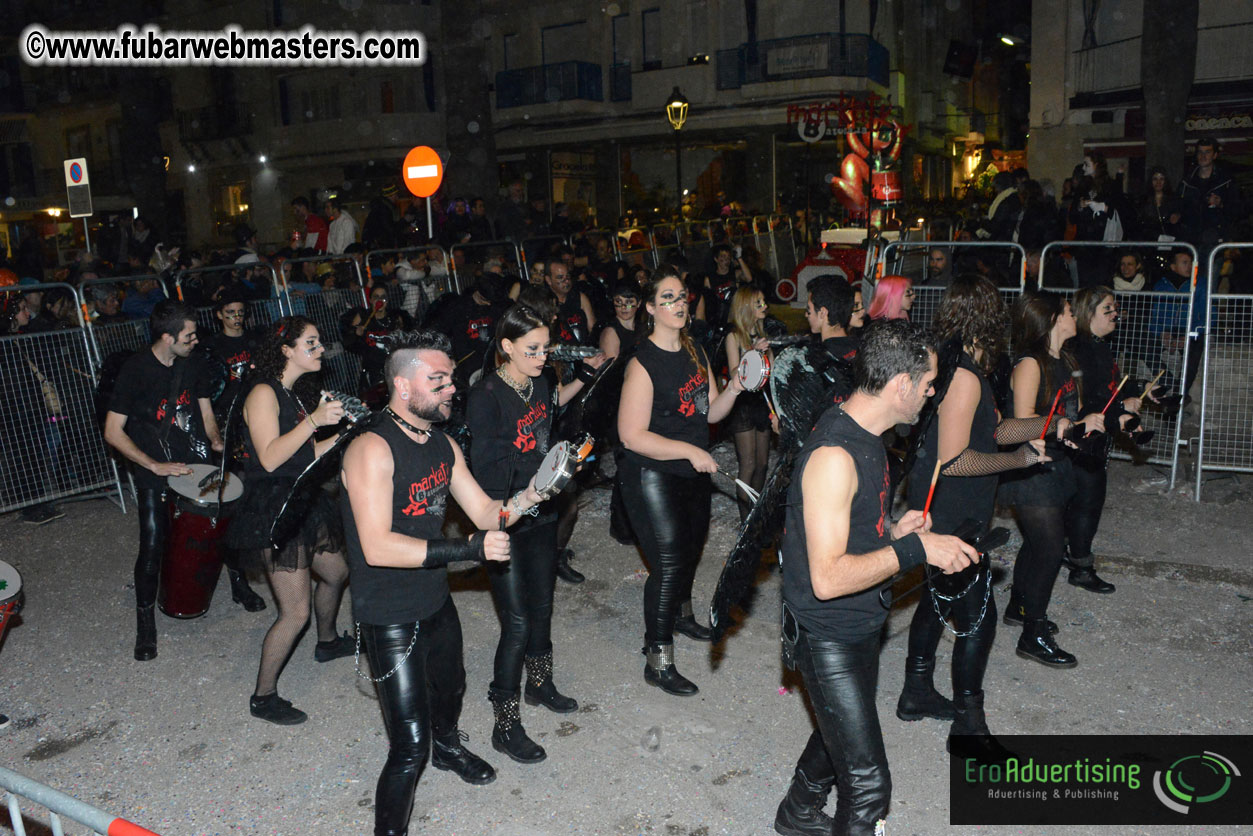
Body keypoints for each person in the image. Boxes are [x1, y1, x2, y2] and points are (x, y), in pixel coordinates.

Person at [774, 319, 978, 836]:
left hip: (862, 622)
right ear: (901, 385)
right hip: (827, 634)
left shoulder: (872, 438)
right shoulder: (835, 456)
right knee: (868, 787)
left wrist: (892, 529)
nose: (933, 392)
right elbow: (826, 576)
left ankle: (797, 813)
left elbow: (852, 528)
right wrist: (912, 549)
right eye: (928, 382)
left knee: (838, 728)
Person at [340, 329, 546, 835]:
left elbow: (486, 513)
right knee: (409, 747)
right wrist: (467, 550)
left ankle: (450, 748)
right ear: (403, 387)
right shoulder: (371, 448)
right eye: (438, 381)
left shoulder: (442, 443)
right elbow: (377, 547)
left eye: (450, 379)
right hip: (387, 613)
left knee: (452, 689)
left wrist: (538, 490)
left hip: (434, 597)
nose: (452, 388)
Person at [894, 276, 1050, 757]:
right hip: (951, 505)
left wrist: (1051, 424)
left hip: (950, 502)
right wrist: (1020, 460)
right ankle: (968, 725)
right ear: (988, 318)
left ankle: (915, 691)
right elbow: (956, 458)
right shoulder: (962, 375)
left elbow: (993, 429)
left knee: (938, 598)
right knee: (978, 614)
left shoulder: (965, 368)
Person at [467, 305, 601, 764]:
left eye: (546, 348)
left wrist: (566, 460)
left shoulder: (540, 383)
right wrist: (531, 482)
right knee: (517, 621)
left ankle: (540, 684)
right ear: (506, 347)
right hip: (503, 517)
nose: (543, 356)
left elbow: (546, 434)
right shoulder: (484, 396)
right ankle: (505, 725)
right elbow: (484, 471)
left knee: (542, 605)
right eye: (533, 349)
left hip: (542, 513)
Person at [617, 268, 747, 694]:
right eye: (667, 297)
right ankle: (657, 659)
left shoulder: (694, 350)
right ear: (650, 308)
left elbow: (709, 411)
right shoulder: (643, 362)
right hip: (652, 472)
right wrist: (691, 450)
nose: (679, 303)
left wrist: (738, 385)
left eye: (682, 296)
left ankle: (682, 615)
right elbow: (631, 434)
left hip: (691, 469)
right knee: (669, 563)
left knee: (690, 551)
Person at [225, 317, 354, 724]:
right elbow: (270, 457)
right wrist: (315, 421)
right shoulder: (264, 392)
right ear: (286, 349)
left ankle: (328, 640)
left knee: (336, 573)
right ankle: (263, 697)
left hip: (302, 498)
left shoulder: (292, 393)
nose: (320, 349)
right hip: (274, 508)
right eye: (311, 343)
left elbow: (306, 453)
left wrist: (349, 433)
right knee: (294, 612)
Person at [104, 300, 222, 661]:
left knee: (216, 528)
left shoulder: (193, 362)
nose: (195, 340)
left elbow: (204, 409)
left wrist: (216, 440)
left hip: (193, 461)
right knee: (154, 541)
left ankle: (237, 584)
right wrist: (153, 466)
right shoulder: (135, 370)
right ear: (167, 337)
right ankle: (145, 624)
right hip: (154, 465)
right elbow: (112, 431)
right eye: (189, 335)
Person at [999, 292, 1105, 668]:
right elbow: (1022, 422)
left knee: (1039, 542)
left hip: (1056, 463)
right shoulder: (1030, 364)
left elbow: (1070, 411)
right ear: (1052, 319)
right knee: (1048, 547)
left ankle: (1020, 606)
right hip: (1032, 467)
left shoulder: (1065, 359)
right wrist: (1071, 425)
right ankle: (1033, 633)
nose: (1073, 314)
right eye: (1066, 310)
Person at [1064, 287, 1144, 594]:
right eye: (1108, 309)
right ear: (1089, 312)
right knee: (1087, 502)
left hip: (1094, 433)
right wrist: (1119, 412)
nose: (1115, 314)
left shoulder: (1098, 346)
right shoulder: (1084, 348)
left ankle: (1067, 554)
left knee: (1079, 501)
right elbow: (1091, 397)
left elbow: (1110, 386)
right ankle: (1080, 567)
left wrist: (1131, 395)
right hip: (1084, 436)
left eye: (1115, 308)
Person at [723, 286, 773, 521]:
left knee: (763, 463)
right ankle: (746, 520)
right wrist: (752, 352)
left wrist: (768, 352)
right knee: (749, 464)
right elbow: (735, 370)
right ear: (746, 307)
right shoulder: (734, 336)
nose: (765, 306)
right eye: (759, 303)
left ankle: (756, 513)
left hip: (761, 402)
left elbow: (769, 370)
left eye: (764, 301)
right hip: (742, 403)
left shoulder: (762, 333)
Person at [598, 281, 640, 360]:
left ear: (639, 303)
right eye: (618, 301)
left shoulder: (642, 327)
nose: (623, 307)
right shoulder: (610, 332)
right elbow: (612, 370)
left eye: (629, 302)